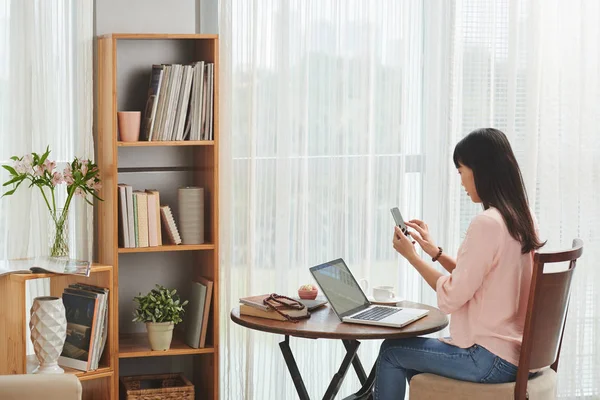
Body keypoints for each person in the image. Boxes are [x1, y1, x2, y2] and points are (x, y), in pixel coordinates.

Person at [374, 128, 545, 400]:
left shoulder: (487, 223)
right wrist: (436, 252)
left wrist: (412, 257)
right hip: (518, 356)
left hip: (488, 359)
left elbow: (452, 295)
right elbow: (481, 278)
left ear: (481, 170)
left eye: (461, 171)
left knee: (392, 352)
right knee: (412, 361)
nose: (462, 181)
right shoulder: (522, 217)